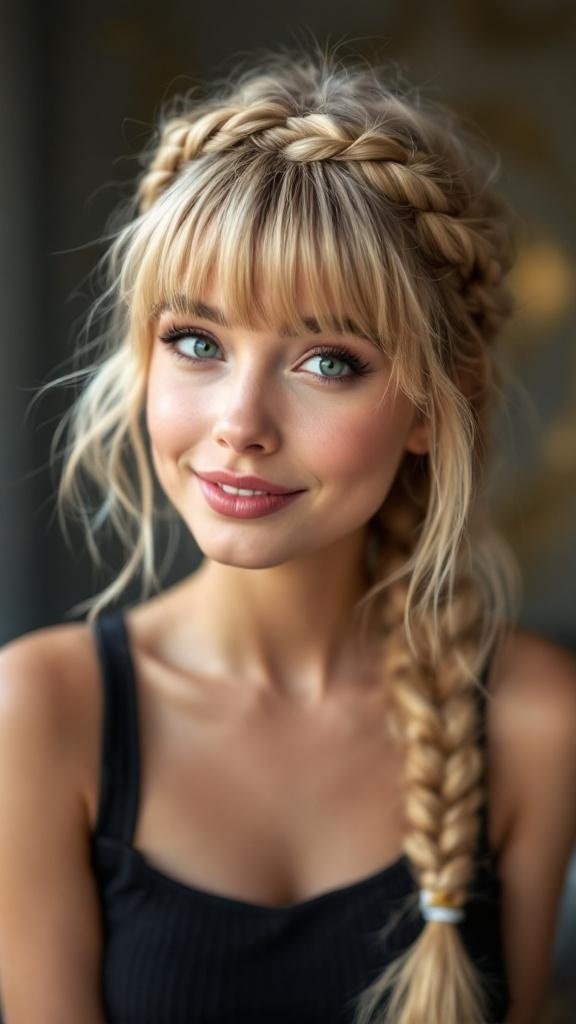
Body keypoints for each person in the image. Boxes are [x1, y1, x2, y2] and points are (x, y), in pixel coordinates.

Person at [0, 47, 575, 1024]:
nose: (241, 423)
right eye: (196, 342)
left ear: (437, 403)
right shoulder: (44, 713)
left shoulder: (533, 717)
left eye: (328, 361)